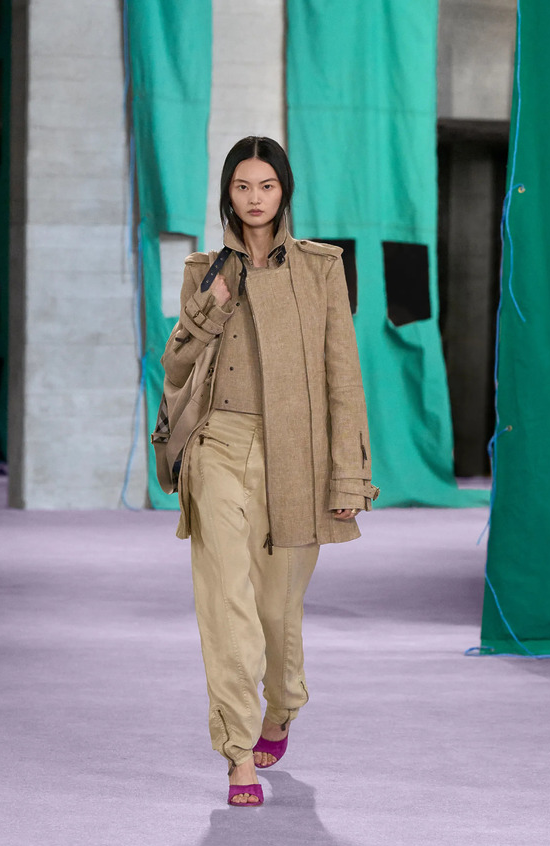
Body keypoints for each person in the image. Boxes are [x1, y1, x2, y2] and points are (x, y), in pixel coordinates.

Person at [160, 137, 379, 807]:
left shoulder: (321, 269)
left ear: (284, 192)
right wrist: (211, 305)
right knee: (224, 602)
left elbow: (344, 379)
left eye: (267, 186)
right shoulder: (204, 271)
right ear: (228, 194)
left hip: (297, 455)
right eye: (242, 186)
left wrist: (348, 477)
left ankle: (280, 708)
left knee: (276, 609)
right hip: (218, 447)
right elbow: (175, 367)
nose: (254, 198)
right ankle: (237, 755)